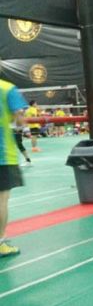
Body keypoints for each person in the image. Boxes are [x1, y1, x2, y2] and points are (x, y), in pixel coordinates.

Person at [0, 77, 28, 256]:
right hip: (2, 155)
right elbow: (19, 120)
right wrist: (19, 121)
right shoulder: (7, 89)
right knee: (1, 200)